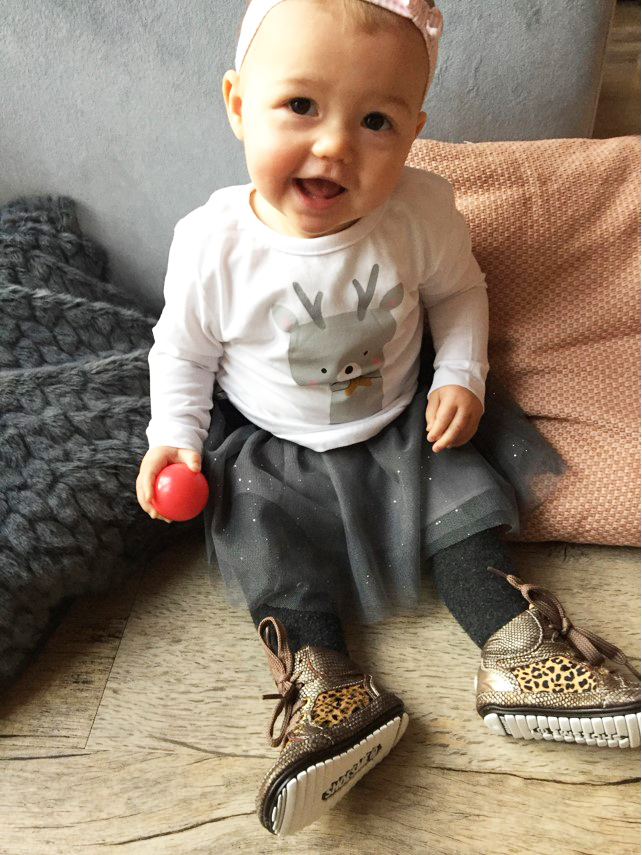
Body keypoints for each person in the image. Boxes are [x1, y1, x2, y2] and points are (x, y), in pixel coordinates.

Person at [136, 0, 641, 837]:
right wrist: (173, 441)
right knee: (265, 540)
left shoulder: (420, 211)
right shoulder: (213, 243)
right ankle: (327, 685)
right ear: (238, 104)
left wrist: (462, 374)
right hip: (274, 447)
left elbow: (460, 293)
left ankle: (523, 653)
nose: (335, 144)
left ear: (413, 134)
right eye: (301, 106)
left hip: (405, 426)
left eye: (375, 121)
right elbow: (181, 353)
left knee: (463, 518)